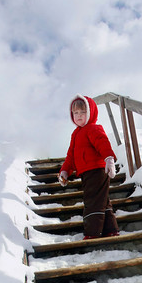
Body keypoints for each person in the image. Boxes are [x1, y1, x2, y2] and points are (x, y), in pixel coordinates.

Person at [58, 95, 120, 240]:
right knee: (102, 201)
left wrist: (109, 159)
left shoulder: (93, 128)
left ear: (91, 112)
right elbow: (70, 156)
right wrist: (65, 171)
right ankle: (110, 229)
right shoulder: (75, 134)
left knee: (92, 201)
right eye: (75, 113)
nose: (79, 116)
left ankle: (93, 233)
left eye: (82, 112)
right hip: (86, 173)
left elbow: (102, 143)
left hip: (97, 170)